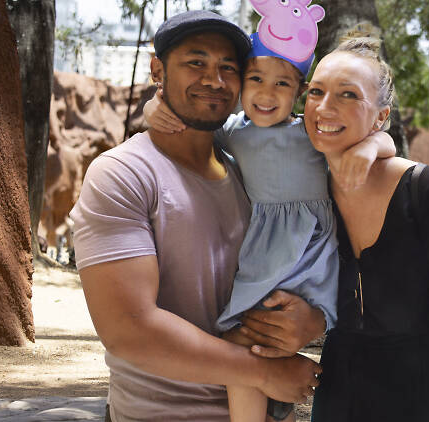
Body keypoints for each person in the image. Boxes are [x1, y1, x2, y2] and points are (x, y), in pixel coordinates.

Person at [70, 10, 328, 422]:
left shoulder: (249, 168)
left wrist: (311, 319)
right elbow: (130, 330)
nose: (214, 79)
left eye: (229, 67)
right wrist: (263, 371)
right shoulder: (123, 174)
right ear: (158, 69)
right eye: (196, 62)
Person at [142, 23, 396, 422]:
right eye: (255, 79)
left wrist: (370, 148)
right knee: (254, 345)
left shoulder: (310, 133)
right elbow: (186, 120)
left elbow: (386, 140)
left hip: (307, 257)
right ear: (241, 83)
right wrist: (151, 107)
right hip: (266, 254)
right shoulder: (233, 133)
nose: (265, 92)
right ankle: (275, 411)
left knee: (248, 340)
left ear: (299, 93)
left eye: (282, 84)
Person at [239, 35, 429, 421]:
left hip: (422, 400)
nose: (324, 107)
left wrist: (374, 145)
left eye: (348, 95)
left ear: (381, 116)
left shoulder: (427, 194)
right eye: (316, 91)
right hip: (339, 396)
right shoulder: (306, 187)